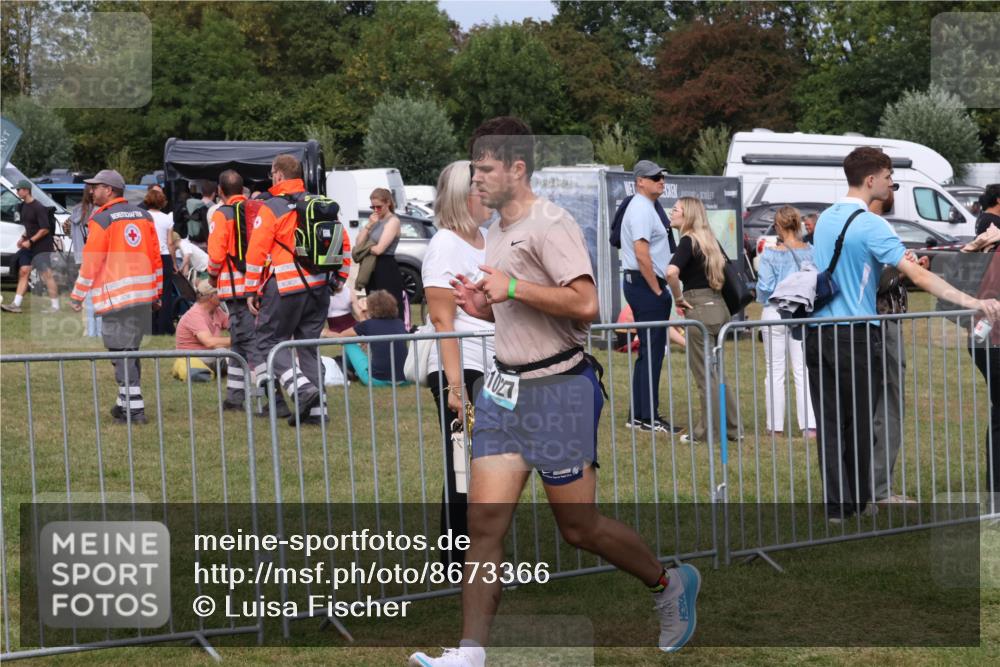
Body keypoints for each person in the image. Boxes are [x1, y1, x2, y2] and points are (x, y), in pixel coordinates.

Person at [409, 117, 700, 667]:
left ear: (517, 168)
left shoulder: (552, 224)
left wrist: (513, 287)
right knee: (484, 523)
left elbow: (585, 305)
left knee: (578, 527)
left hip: (559, 388)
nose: (477, 181)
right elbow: (514, 304)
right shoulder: (494, 228)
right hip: (502, 389)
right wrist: (485, 305)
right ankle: (470, 653)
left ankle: (668, 583)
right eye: (474, 170)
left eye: (486, 169)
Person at [805, 147, 1000, 522]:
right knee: (861, 421)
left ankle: (837, 508)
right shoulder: (870, 222)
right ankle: (860, 503)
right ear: (870, 180)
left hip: (817, 333)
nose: (892, 182)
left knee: (831, 422)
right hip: (855, 334)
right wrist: (970, 300)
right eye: (888, 174)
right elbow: (919, 276)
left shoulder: (826, 218)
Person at [421, 159, 496, 566]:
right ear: (463, 195)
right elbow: (442, 320)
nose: (487, 194)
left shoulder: (486, 238)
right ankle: (457, 557)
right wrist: (454, 387)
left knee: (490, 464)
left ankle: (481, 550)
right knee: (462, 466)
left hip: (494, 365)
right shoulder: (444, 244)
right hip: (460, 367)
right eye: (479, 187)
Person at [68, 169, 163, 424]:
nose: (91, 190)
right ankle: (124, 404)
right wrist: (157, 293)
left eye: (95, 186)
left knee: (120, 353)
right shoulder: (144, 216)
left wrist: (77, 296)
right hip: (142, 296)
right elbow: (156, 258)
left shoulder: (102, 219)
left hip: (116, 299)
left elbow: (91, 263)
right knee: (130, 351)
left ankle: (135, 410)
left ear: (109, 190)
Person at [245, 154, 330, 426]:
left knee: (268, 342)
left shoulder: (272, 207)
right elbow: (343, 243)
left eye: (272, 174)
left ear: (279, 175)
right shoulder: (318, 203)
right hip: (319, 285)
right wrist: (337, 278)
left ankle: (302, 390)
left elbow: (257, 250)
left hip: (285, 284)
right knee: (308, 346)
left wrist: (250, 289)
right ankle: (318, 412)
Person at [665, 197, 741, 445]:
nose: (671, 212)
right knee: (718, 373)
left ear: (687, 215)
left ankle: (707, 431)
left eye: (675, 209)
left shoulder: (688, 241)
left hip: (700, 310)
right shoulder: (708, 240)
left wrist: (677, 297)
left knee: (704, 375)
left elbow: (671, 272)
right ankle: (732, 428)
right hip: (720, 309)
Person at [620, 159, 682, 434]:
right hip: (646, 286)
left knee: (650, 352)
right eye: (655, 177)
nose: (661, 181)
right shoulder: (642, 209)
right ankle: (647, 417)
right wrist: (657, 289)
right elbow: (641, 252)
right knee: (652, 352)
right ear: (640, 181)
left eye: (662, 176)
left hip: (643, 285)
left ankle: (640, 414)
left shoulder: (645, 207)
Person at [754, 206, 816, 437]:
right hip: (801, 313)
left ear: (778, 226)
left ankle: (775, 427)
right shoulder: (811, 252)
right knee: (803, 370)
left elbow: (764, 289)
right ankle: (809, 426)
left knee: (774, 370)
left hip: (774, 311)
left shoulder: (770, 254)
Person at [206, 169, 256, 410]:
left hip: (235, 289)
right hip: (257, 286)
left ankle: (271, 398)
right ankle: (235, 396)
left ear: (220, 191)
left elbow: (216, 255)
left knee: (249, 342)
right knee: (238, 342)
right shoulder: (256, 210)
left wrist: (213, 277)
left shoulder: (221, 214)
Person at [1, 180, 60, 314]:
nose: (17, 192)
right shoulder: (24, 206)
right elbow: (31, 226)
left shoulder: (38, 207)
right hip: (29, 245)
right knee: (23, 271)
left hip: (42, 247)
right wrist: (23, 237)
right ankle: (15, 304)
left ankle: (55, 307)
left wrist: (31, 241)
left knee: (47, 275)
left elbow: (45, 229)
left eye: (19, 190)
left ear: (26, 190)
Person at [326, 290, 408, 385]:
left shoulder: (368, 324)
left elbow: (342, 336)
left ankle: (342, 368)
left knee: (349, 343)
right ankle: (346, 368)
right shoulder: (399, 323)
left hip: (376, 380)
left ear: (371, 308)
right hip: (404, 380)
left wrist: (325, 332)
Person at [355, 187, 405, 320]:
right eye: (373, 207)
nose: (376, 210)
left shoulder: (393, 221)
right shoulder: (375, 221)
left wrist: (365, 248)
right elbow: (358, 243)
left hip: (385, 267)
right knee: (373, 308)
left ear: (388, 203)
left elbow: (379, 249)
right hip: (371, 268)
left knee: (389, 307)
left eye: (379, 207)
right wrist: (369, 225)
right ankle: (377, 337)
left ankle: (395, 336)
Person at [64, 183, 102, 335]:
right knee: (99, 294)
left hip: (82, 256)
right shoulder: (101, 211)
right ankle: (99, 330)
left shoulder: (76, 211)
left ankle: (89, 330)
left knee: (86, 294)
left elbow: (70, 233)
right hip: (98, 256)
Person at [146, 187, 177, 335]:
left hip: (149, 257)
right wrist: (174, 263)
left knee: (149, 292)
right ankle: (164, 326)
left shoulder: (143, 217)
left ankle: (150, 326)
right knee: (165, 292)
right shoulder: (167, 218)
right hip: (164, 256)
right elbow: (170, 243)